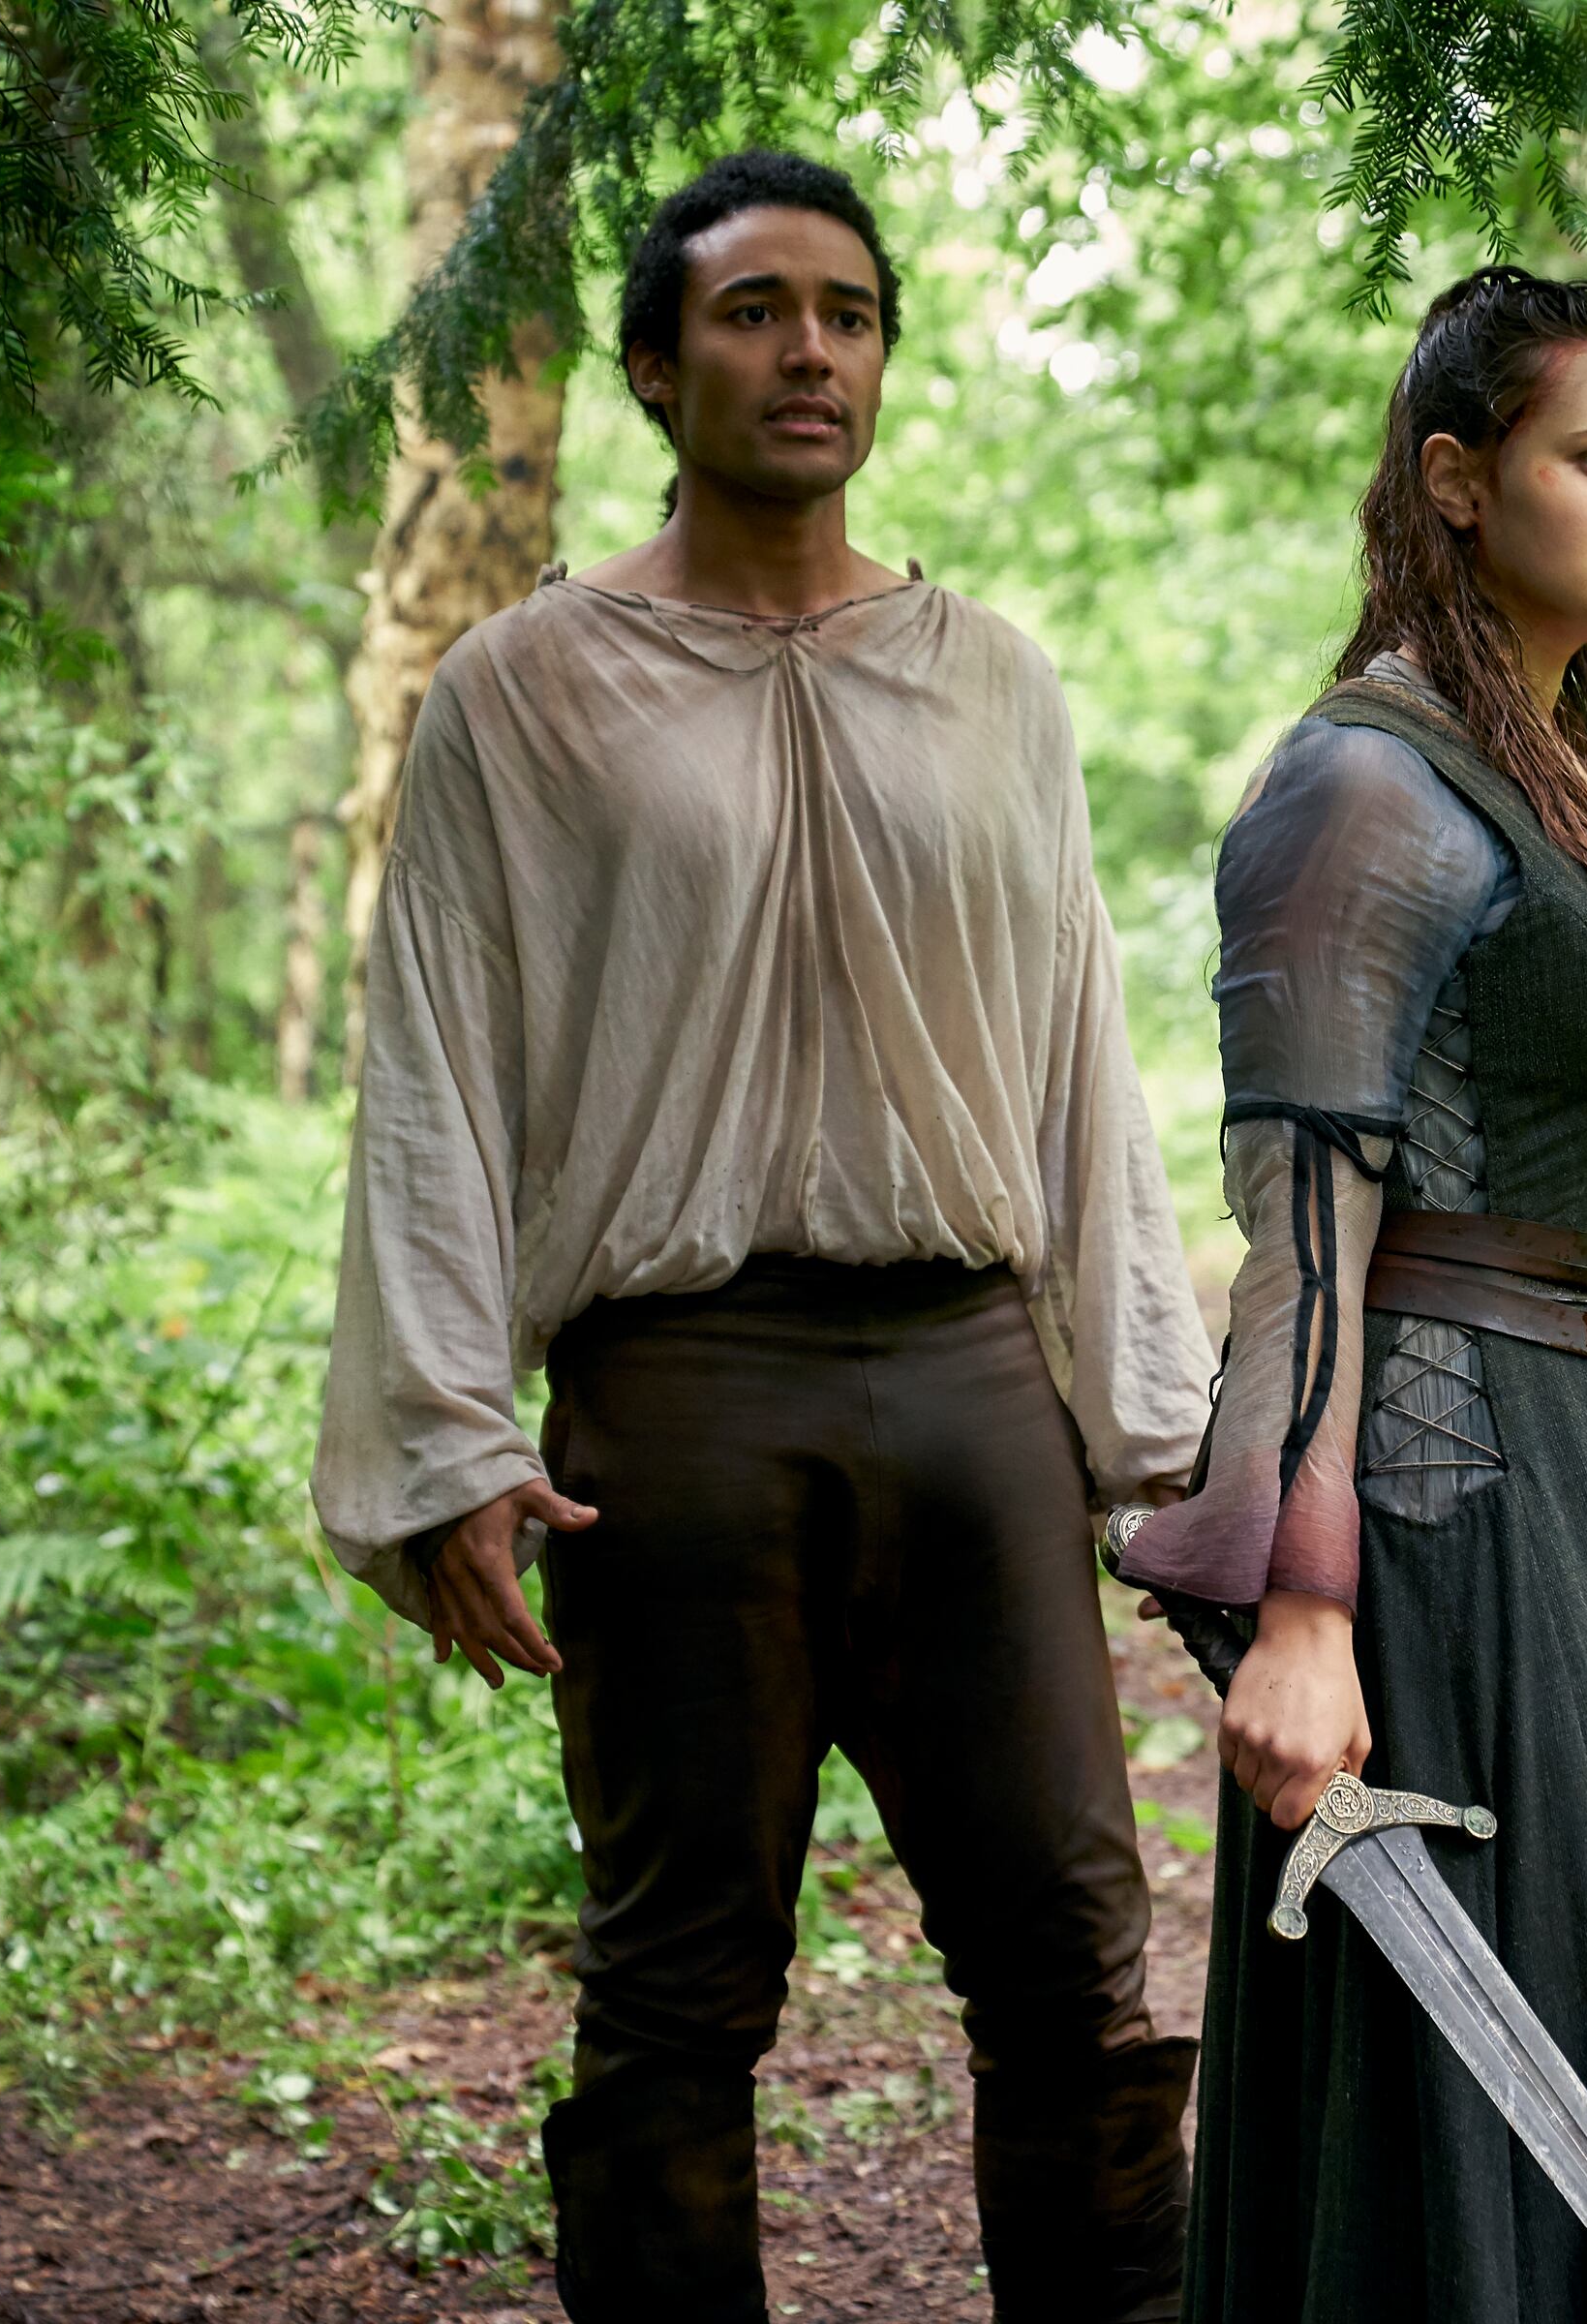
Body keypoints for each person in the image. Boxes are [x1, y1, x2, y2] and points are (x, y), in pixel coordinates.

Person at [312, 148, 1218, 2324]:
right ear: (655, 366)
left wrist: (1157, 1427)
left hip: (977, 1386)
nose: (810, 350)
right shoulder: (525, 689)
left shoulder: (992, 678)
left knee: (1073, 1964)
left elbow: (1076, 1052)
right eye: (754, 311)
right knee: (676, 1989)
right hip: (678, 1409)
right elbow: (434, 1071)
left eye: (849, 313)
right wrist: (445, 1439)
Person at [1117, 266, 1587, 2322]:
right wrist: (1305, 1604)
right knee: (1462, 2103)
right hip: (1447, 1502)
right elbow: (1309, 1221)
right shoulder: (1368, 783)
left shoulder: (1572, 765)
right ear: (1456, 479)